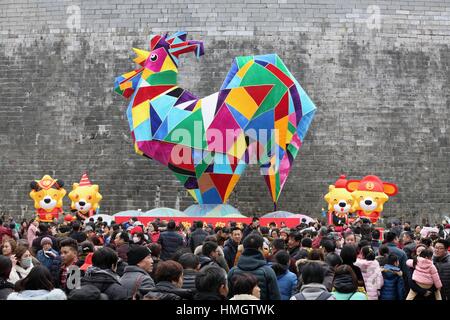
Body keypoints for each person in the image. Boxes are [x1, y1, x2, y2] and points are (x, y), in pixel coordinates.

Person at [227, 233, 280, 300]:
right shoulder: (268, 272)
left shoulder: (232, 271)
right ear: (260, 248)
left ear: (244, 248)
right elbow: (275, 296)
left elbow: (228, 295)